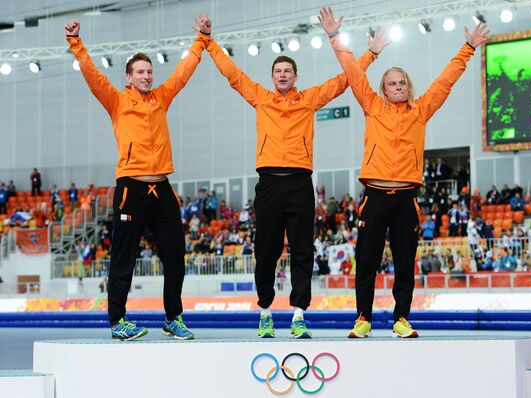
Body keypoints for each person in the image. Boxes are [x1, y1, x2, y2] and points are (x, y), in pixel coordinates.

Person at [203, 15, 381, 339]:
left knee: (302, 250)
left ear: (295, 76)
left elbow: (345, 80)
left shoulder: (309, 98)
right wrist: (208, 41)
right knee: (266, 251)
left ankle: (299, 314)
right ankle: (266, 311)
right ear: (272, 77)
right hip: (269, 183)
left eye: (287, 71)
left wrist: (369, 55)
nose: (282, 75)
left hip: (299, 182)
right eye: (277, 71)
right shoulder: (260, 96)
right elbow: (232, 74)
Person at [319, 6, 490, 338]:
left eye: (401, 82)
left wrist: (467, 48)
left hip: (406, 198)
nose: (397, 86)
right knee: (365, 261)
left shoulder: (421, 110)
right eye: (391, 83)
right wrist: (333, 37)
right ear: (383, 89)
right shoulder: (371, 105)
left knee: (404, 264)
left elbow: (446, 80)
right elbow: (352, 70)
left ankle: (401, 318)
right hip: (375, 196)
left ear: (408, 86)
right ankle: (362, 318)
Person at [64, 15, 212, 341]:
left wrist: (201, 39)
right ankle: (118, 321)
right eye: (140, 72)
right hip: (131, 188)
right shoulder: (117, 101)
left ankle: (173, 317)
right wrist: (76, 42)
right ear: (128, 77)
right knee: (124, 258)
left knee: (175, 256)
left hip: (162, 189)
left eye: (149, 72)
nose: (146, 76)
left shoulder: (162, 96)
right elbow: (92, 74)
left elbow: (184, 72)